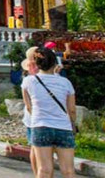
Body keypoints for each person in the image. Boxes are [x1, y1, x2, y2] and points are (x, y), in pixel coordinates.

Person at [22, 47, 75, 178]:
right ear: (55, 63)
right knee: (68, 170)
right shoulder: (66, 83)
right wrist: (72, 124)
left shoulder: (28, 81)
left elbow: (29, 107)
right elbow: (72, 110)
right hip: (63, 126)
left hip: (40, 125)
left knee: (44, 170)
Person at [21, 46, 40, 175]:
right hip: (37, 117)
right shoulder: (47, 74)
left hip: (32, 117)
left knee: (34, 147)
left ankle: (37, 173)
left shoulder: (27, 78)